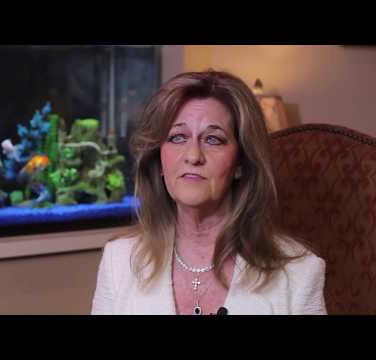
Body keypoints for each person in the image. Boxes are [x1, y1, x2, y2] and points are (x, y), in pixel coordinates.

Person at [91, 70, 327, 315]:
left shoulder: (299, 274)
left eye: (213, 139)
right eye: (178, 137)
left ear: (241, 163)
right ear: (159, 160)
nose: (193, 156)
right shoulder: (118, 261)